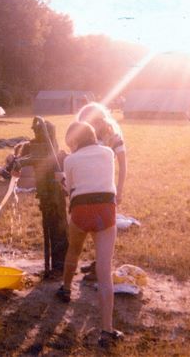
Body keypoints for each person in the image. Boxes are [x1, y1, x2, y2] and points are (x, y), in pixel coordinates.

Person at [56, 121, 124, 348]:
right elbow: (100, 181)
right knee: (105, 271)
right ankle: (107, 330)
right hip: (106, 208)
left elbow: (70, 190)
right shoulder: (107, 153)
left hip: (81, 209)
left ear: (74, 140)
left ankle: (65, 289)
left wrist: (61, 180)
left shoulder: (70, 159)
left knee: (73, 251)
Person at [76, 102, 126, 205]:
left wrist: (119, 190)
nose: (85, 129)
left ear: (100, 122)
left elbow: (122, 165)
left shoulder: (114, 137)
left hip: (105, 186)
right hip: (86, 186)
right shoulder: (84, 137)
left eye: (88, 125)